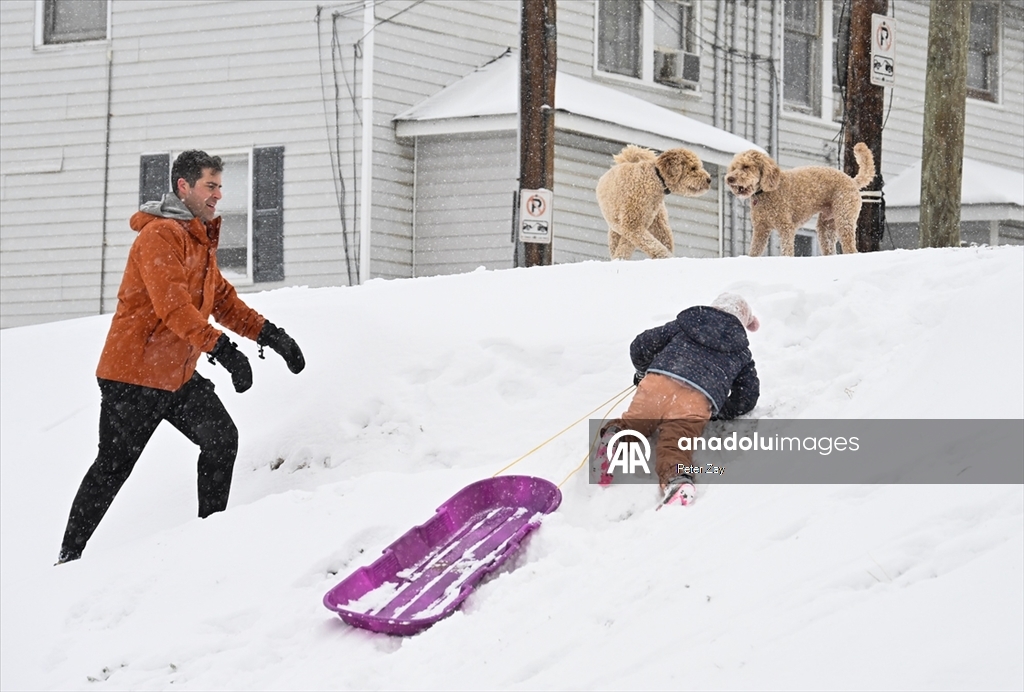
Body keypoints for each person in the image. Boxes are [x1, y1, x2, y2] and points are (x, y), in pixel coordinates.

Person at [57, 150, 305, 563]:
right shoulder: (159, 237)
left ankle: (208, 537)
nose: (218, 196)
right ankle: (68, 556)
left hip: (174, 374)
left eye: (220, 187)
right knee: (113, 468)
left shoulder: (198, 240)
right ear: (184, 187)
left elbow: (223, 302)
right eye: (211, 186)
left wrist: (271, 336)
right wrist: (223, 350)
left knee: (221, 440)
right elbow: (173, 308)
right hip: (133, 375)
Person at [598, 293, 760, 506]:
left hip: (659, 384)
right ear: (743, 323)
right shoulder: (740, 351)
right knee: (676, 447)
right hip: (695, 400)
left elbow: (640, 345)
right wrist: (720, 411)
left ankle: (615, 437)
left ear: (714, 307)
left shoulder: (686, 325)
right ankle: (677, 482)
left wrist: (643, 372)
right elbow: (747, 396)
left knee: (635, 424)